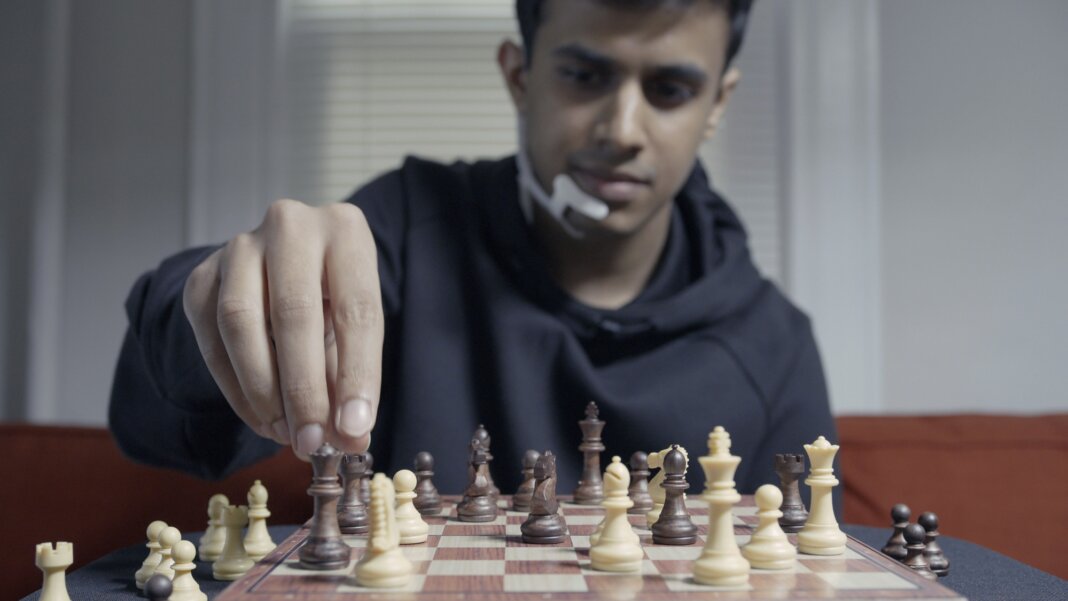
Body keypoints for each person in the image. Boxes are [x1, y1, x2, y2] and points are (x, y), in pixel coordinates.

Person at [109, 0, 836, 496]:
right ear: (519, 75)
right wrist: (223, 298)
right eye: (584, 76)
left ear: (717, 105)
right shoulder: (405, 226)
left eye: (670, 89)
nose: (622, 129)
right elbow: (158, 430)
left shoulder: (775, 345)